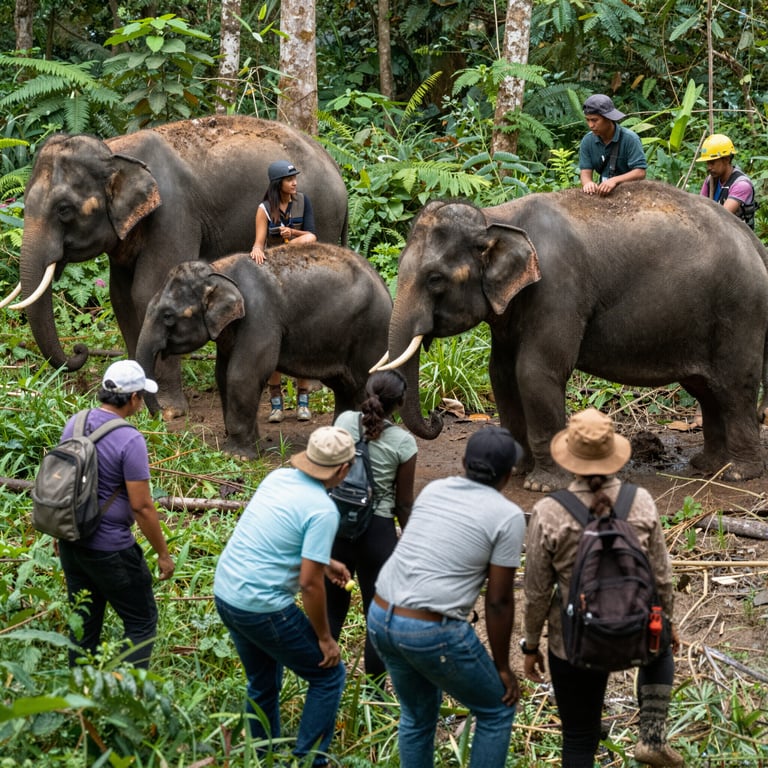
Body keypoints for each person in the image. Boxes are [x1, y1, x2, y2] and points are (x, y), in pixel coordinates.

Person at [522, 408, 682, 768]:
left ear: (568, 457)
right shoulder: (640, 501)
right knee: (661, 650)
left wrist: (530, 645)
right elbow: (661, 576)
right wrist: (667, 622)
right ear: (614, 454)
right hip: (637, 632)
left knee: (579, 739)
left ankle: (594, 737)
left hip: (575, 643)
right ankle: (652, 736)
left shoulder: (548, 512)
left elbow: (536, 592)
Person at [367, 426, 526, 768]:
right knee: (496, 708)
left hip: (380, 615)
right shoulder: (508, 516)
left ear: (464, 462)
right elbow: (498, 601)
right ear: (508, 475)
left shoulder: (435, 489)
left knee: (417, 716)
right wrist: (502, 668)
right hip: (429, 630)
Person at [214, 426, 356, 767]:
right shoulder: (324, 510)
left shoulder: (277, 478)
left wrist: (325, 562)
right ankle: (309, 761)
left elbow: (278, 533)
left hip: (227, 591)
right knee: (329, 676)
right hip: (262, 607)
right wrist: (325, 639)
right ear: (342, 469)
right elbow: (309, 585)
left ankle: (261, 755)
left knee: (262, 681)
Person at [57, 360, 175, 669]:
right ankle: (126, 691)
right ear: (134, 398)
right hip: (111, 550)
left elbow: (63, 484)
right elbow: (142, 506)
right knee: (141, 622)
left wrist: (58, 533)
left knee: (83, 625)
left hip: (72, 543)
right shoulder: (129, 439)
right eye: (141, 396)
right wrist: (163, 554)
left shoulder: (75, 423)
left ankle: (80, 694)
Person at [326, 370, 418, 683]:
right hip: (377, 534)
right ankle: (375, 692)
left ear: (367, 393)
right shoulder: (404, 443)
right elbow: (403, 504)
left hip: (337, 525)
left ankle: (322, 681)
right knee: (376, 616)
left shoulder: (343, 422)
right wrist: (410, 544)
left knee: (332, 608)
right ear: (400, 403)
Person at [250, 159, 318, 423]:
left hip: (300, 273)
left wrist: (292, 233)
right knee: (273, 342)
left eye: (295, 178)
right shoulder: (264, 209)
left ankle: (303, 402)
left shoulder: (303, 202)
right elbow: (259, 243)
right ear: (278, 184)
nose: (294, 183)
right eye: (290, 180)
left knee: (304, 338)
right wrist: (257, 250)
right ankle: (276, 404)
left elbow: (311, 236)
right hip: (275, 276)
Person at [579, 94, 647, 197]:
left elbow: (640, 172)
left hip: (631, 192)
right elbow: (585, 172)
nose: (590, 125)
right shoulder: (587, 140)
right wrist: (588, 183)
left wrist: (614, 180)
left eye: (594, 120)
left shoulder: (630, 139)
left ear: (608, 118)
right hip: (604, 192)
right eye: (588, 120)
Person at [696, 133, 757, 230]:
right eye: (707, 163)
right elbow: (700, 207)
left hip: (738, 236)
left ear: (727, 159)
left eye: (712, 163)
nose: (709, 167)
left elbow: (722, 216)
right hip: (715, 231)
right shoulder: (710, 181)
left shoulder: (741, 185)